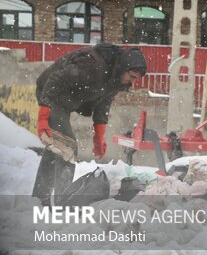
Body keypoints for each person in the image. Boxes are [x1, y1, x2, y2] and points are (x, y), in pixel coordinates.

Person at [33, 43, 147, 205]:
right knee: (66, 147)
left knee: (55, 149)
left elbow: (103, 105)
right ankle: (62, 203)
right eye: (132, 76)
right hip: (50, 94)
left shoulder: (115, 79)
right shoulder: (93, 66)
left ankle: (38, 200)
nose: (133, 82)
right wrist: (42, 117)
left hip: (65, 101)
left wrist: (98, 137)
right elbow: (55, 80)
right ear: (124, 67)